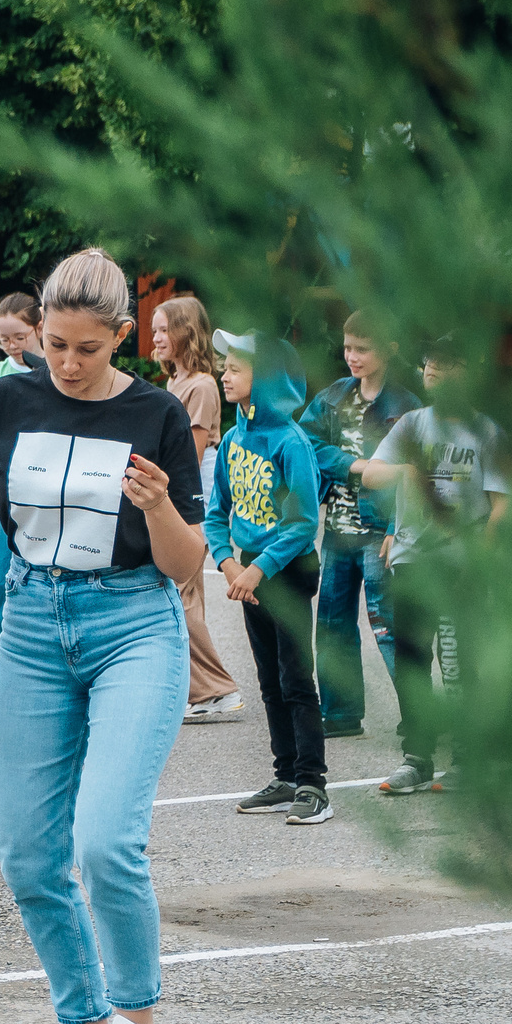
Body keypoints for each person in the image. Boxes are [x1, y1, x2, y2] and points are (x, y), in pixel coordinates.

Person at [0, 247, 205, 1024]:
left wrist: (158, 505)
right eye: (54, 345)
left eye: (88, 347)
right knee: (26, 851)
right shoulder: (3, 398)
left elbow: (187, 565)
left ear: (122, 336)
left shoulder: (158, 413)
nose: (70, 363)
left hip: (132, 623)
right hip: (36, 624)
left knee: (104, 840)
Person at [355, 341, 507, 795]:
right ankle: (417, 760)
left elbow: (501, 506)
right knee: (414, 662)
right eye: (431, 368)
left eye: (448, 368)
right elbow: (370, 474)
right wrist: (405, 471)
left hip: (462, 564)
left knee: (462, 663)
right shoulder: (411, 425)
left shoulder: (486, 432)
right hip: (412, 560)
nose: (436, 375)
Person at [205, 330, 330, 823]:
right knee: (269, 680)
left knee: (297, 679)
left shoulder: (292, 442)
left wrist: (258, 569)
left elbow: (302, 523)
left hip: (287, 572)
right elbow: (216, 513)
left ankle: (314, 785)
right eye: (226, 366)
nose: (225, 373)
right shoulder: (234, 439)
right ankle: (285, 774)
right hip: (249, 572)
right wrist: (229, 561)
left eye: (236, 367)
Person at [298, 313, 421, 740]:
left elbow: (418, 471)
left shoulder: (407, 407)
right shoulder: (333, 397)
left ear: (390, 351)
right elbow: (306, 442)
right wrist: (352, 464)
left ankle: (420, 719)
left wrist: (394, 527)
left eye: (363, 349)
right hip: (337, 530)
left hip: (380, 530)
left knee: (389, 626)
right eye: (348, 347)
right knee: (332, 625)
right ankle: (341, 714)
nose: (351, 356)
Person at [150, 296, 243, 721]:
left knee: (182, 598)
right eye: (154, 330)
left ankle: (216, 690)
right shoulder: (176, 383)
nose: (156, 338)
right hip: (174, 501)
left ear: (186, 332)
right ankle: (199, 690)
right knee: (182, 598)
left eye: (164, 329)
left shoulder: (202, 386)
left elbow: (191, 452)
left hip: (190, 505)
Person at [0, 294, 42, 640]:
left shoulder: (55, 369)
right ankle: (13, 652)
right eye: (4, 339)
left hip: (44, 489)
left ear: (39, 328)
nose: (12, 346)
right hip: (4, 491)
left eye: (20, 337)